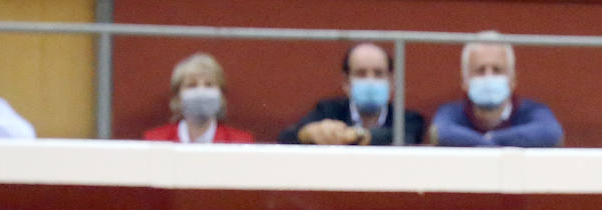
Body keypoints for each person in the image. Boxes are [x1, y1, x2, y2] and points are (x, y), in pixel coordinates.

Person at [429, 35, 563, 147]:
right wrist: (499, 144)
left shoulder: (533, 111)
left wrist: (490, 140)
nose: (489, 77)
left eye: (497, 70)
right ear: (465, 81)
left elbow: (551, 132)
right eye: (480, 70)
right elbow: (441, 133)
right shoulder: (451, 111)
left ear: (513, 80)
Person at [278, 43, 424, 146]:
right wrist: (310, 133)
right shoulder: (328, 110)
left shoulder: (406, 119)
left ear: (391, 81)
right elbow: (287, 137)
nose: (370, 81)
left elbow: (406, 136)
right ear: (346, 82)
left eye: (378, 73)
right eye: (361, 74)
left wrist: (356, 135)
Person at [143, 53, 253, 144]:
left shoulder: (240, 143)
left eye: (209, 85)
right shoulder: (155, 141)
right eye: (192, 85)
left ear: (221, 96)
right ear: (177, 97)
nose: (201, 92)